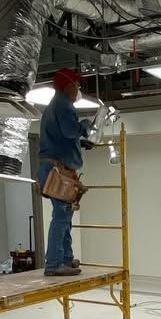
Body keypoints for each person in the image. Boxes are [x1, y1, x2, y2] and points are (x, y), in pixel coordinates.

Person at [38, 66, 92, 277]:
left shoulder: (56, 105)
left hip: (56, 167)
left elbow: (63, 137)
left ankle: (66, 258)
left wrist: (80, 142)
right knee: (61, 216)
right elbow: (70, 131)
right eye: (76, 85)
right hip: (57, 170)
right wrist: (84, 127)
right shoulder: (63, 105)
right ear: (68, 85)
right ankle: (53, 264)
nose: (78, 89)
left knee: (65, 215)